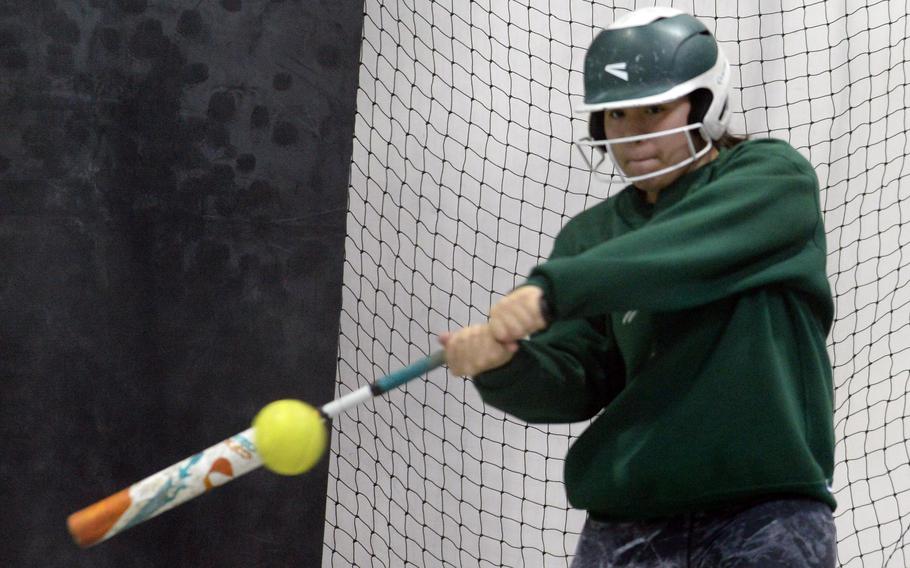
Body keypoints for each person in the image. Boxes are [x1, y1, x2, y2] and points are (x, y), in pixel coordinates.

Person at [439, 7, 837, 567]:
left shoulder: (771, 180)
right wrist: (501, 367)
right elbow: (577, 379)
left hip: (766, 516)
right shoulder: (591, 237)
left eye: (655, 109)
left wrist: (551, 290)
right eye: (617, 115)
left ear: (706, 104)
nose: (634, 136)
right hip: (625, 524)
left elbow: (681, 249)